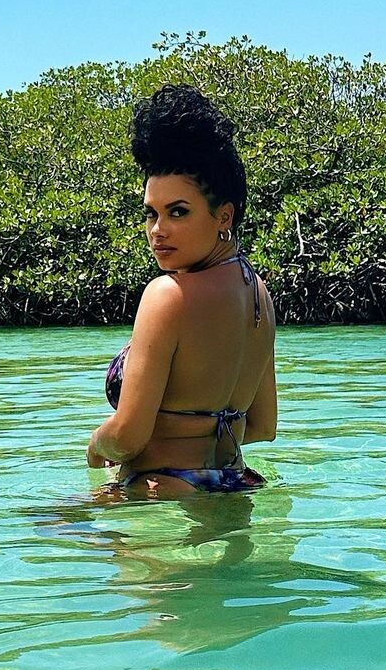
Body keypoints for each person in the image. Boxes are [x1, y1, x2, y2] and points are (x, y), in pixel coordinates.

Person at [86, 83, 277, 498]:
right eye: (151, 214)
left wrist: (97, 445)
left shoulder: (166, 295)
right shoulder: (259, 295)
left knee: (40, 526)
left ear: (224, 215)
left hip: (159, 489)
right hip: (234, 484)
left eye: (178, 212)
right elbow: (264, 426)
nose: (158, 230)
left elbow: (128, 436)